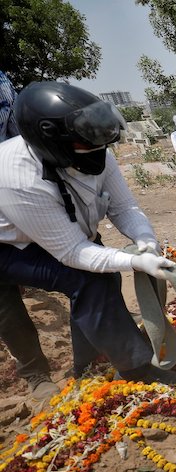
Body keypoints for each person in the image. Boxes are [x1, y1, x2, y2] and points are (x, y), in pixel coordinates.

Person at [0, 81, 176, 386]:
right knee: (13, 307)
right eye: (88, 141)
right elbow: (72, 253)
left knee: (104, 277)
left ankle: (89, 364)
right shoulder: (18, 178)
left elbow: (124, 207)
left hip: (47, 231)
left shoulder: (91, 148)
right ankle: (43, 374)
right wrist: (134, 263)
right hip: (5, 244)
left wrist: (146, 241)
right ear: (51, 138)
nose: (100, 147)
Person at [0, 70, 60, 401]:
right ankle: (35, 373)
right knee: (4, 299)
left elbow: (19, 135)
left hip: (13, 186)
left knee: (73, 259)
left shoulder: (2, 82)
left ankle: (94, 351)